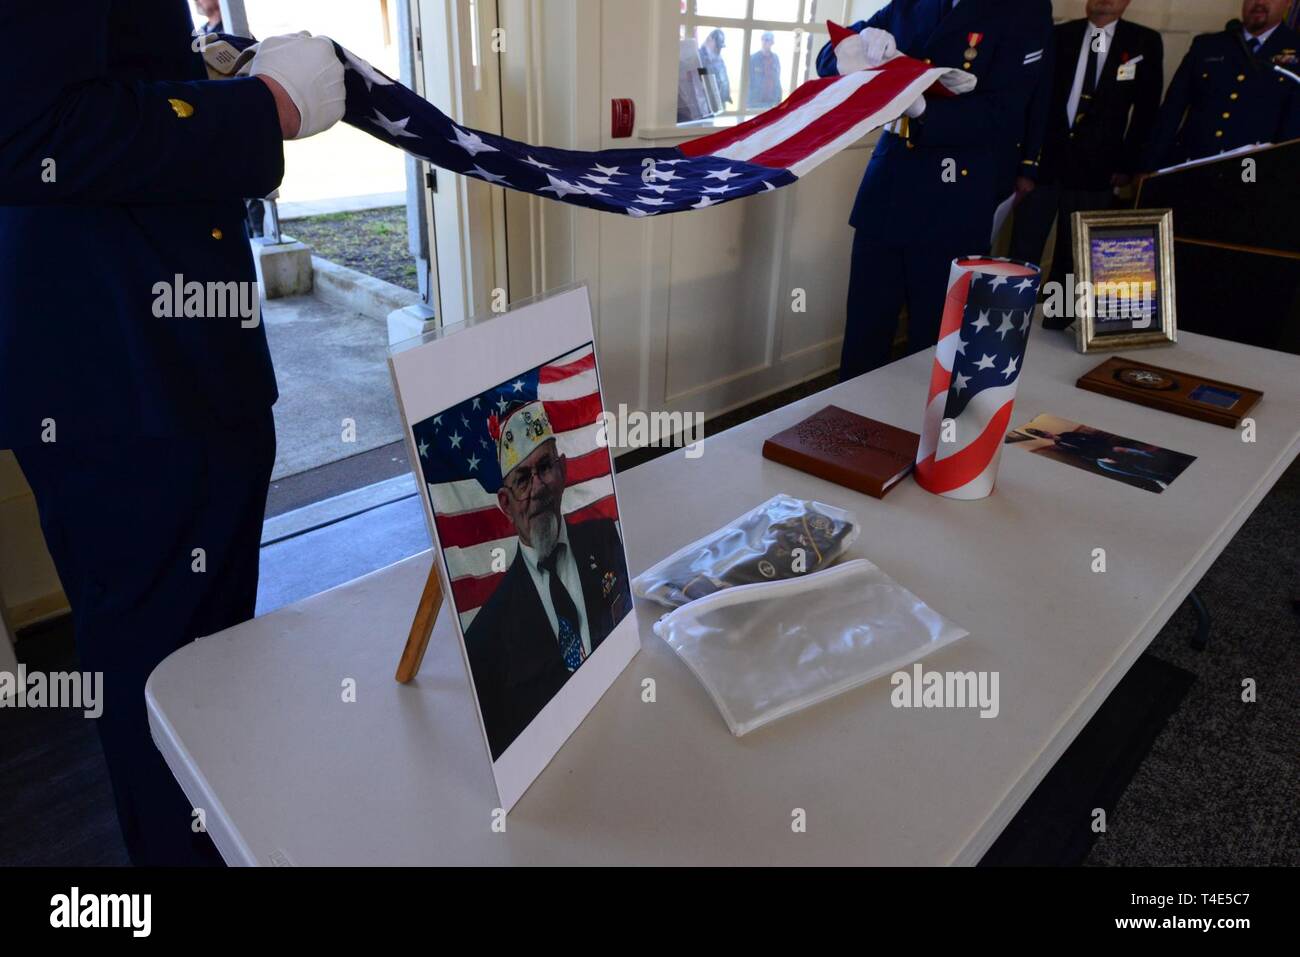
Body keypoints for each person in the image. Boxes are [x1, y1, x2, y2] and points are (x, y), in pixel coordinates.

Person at [0, 2, 346, 865]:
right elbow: (32, 128)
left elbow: (89, 72)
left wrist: (204, 71)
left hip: (145, 368)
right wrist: (262, 108)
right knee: (167, 681)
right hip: (133, 381)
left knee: (197, 665)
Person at [817, 0, 1054, 380]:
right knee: (864, 333)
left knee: (935, 342)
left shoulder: (1024, 9)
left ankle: (920, 435)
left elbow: (1004, 111)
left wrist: (924, 107)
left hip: (953, 197)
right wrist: (854, 48)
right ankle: (848, 432)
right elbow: (827, 61)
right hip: (888, 188)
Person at [464, 402, 632, 760]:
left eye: (544, 468)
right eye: (522, 479)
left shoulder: (604, 541)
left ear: (564, 471)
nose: (537, 487)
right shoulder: (484, 639)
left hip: (624, 720)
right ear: (506, 504)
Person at [1009, 0, 1163, 314]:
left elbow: (1147, 112)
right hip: (1045, 164)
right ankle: (1011, 316)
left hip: (1098, 170)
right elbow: (1032, 99)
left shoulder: (1143, 41)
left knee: (1073, 256)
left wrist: (1129, 166)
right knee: (1023, 248)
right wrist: (1025, 161)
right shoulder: (1058, 35)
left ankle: (1056, 319)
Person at [1142, 0, 1300, 170]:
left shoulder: (1296, 49)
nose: (1259, 2)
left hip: (1251, 171)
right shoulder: (1208, 45)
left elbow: (1293, 129)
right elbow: (1171, 110)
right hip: (1190, 162)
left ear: (1289, 4)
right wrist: (1147, 166)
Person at [748, 31, 783, 109]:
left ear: (772, 42)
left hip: (772, 101)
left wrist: (778, 98)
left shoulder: (775, 58)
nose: (765, 42)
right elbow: (748, 80)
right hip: (756, 102)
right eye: (763, 39)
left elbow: (777, 79)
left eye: (767, 40)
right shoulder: (753, 58)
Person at [700, 28, 733, 110]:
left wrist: (726, 95)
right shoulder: (700, 57)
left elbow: (724, 77)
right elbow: (701, 81)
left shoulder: (718, 58)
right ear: (709, 40)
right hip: (707, 103)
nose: (719, 49)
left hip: (720, 101)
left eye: (720, 47)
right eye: (717, 46)